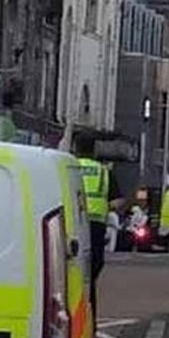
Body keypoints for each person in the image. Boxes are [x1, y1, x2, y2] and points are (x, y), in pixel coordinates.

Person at [73, 133, 113, 327]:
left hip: (72, 225)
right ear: (94, 149)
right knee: (90, 280)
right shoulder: (102, 171)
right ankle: (89, 328)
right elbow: (119, 201)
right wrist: (105, 207)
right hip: (96, 227)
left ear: (75, 147)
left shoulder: (69, 166)